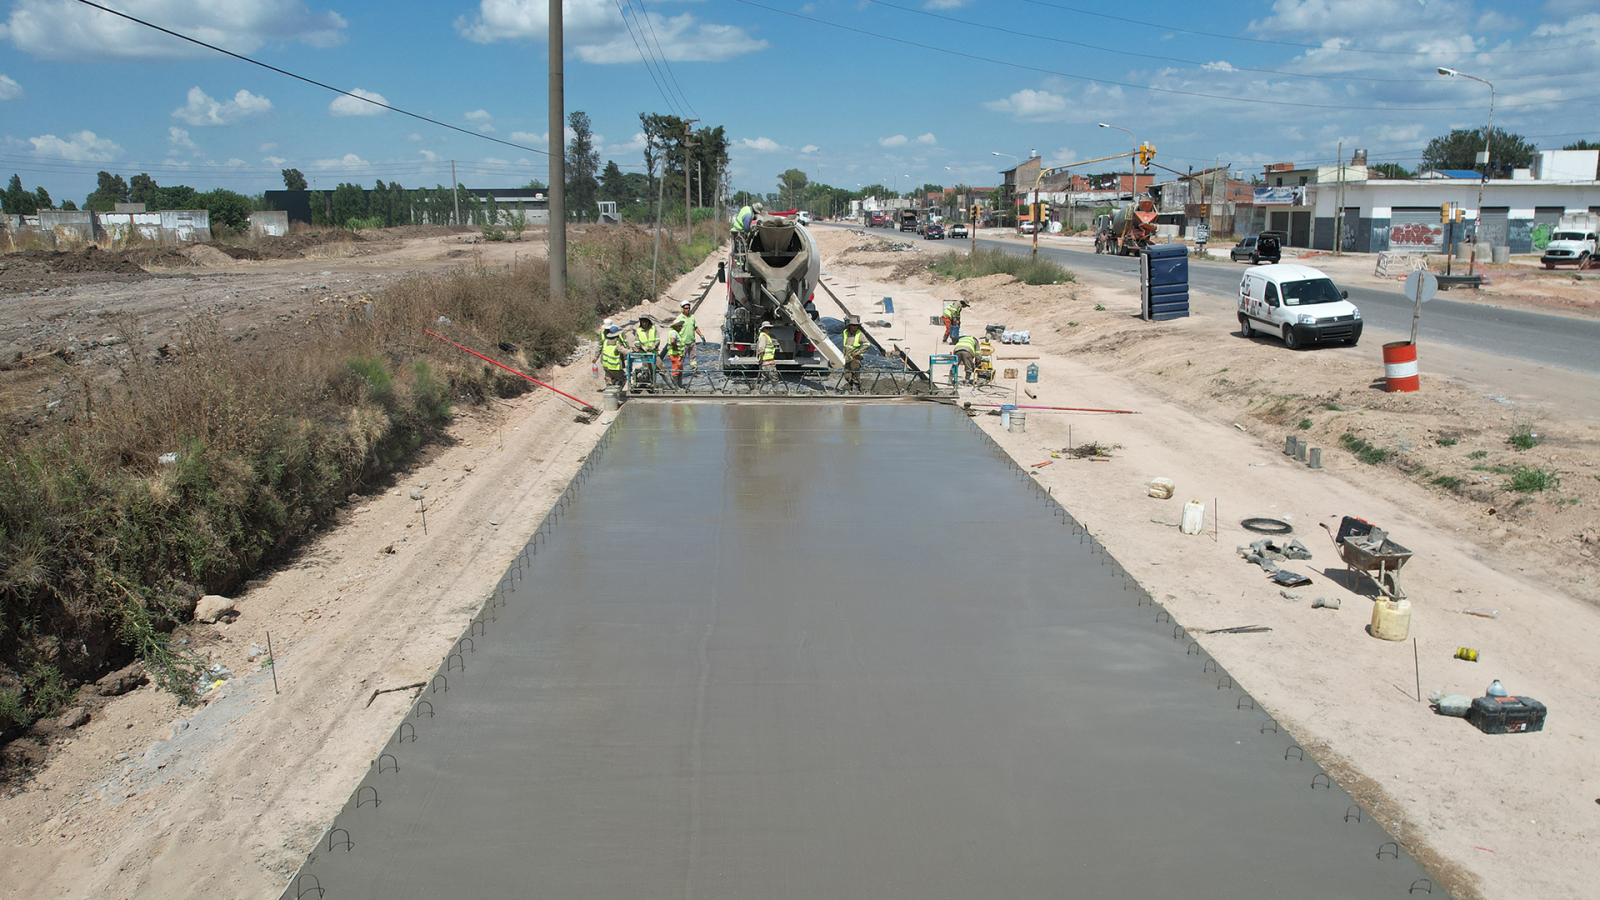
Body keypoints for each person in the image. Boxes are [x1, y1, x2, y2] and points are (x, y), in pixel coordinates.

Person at [672, 299, 704, 368]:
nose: (688, 309)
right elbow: (675, 331)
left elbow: (695, 327)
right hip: (683, 343)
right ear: (682, 309)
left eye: (689, 308)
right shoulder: (679, 318)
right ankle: (679, 372)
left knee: (693, 358)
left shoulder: (692, 317)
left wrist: (701, 335)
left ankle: (694, 370)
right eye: (686, 308)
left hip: (692, 342)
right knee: (681, 358)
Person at [841, 316, 870, 391]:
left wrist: (858, 352)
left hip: (855, 357)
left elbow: (867, 344)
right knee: (847, 375)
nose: (855, 327)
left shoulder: (859, 334)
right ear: (849, 325)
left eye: (856, 325)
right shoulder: (845, 332)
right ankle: (851, 386)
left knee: (855, 372)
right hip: (847, 357)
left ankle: (857, 388)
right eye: (853, 325)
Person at [755, 320, 780, 388]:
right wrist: (762, 360)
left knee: (765, 379)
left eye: (769, 328)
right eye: (767, 328)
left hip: (768, 362)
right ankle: (775, 392)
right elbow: (761, 349)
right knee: (774, 378)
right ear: (763, 329)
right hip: (767, 363)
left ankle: (764, 392)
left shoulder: (766, 336)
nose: (768, 329)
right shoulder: (763, 337)